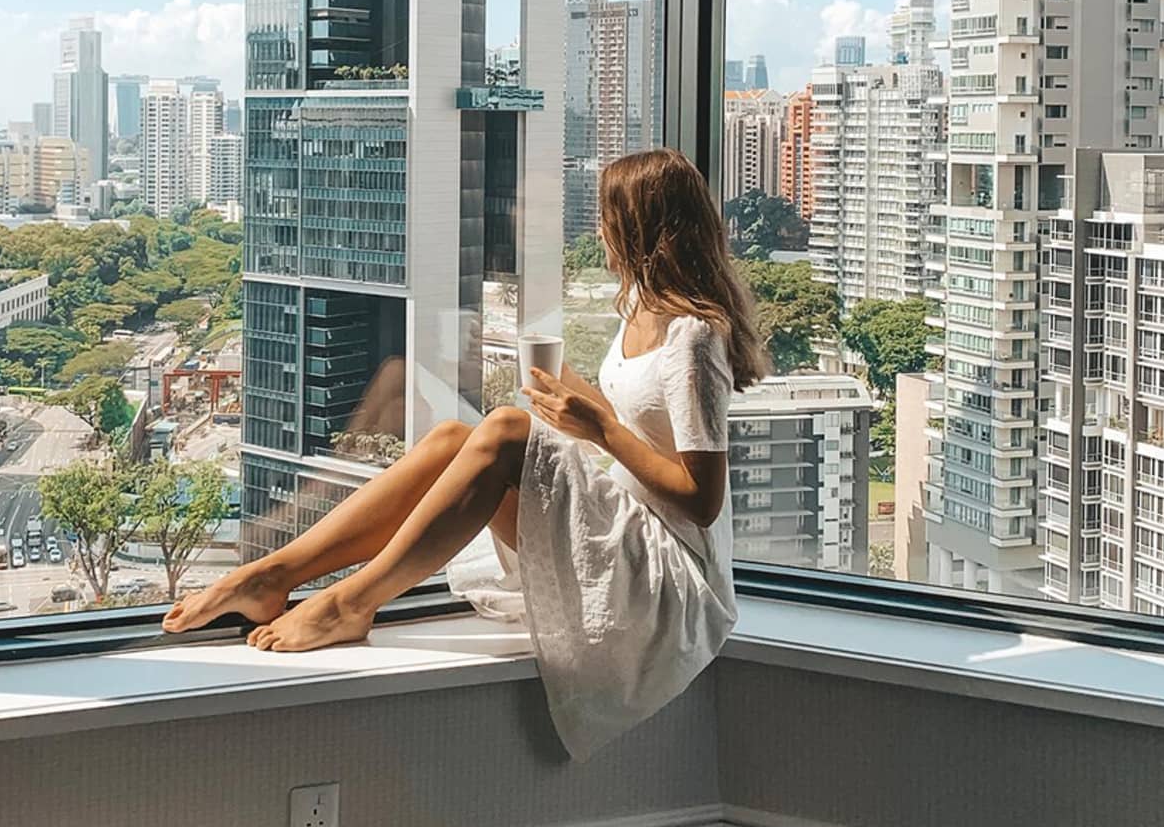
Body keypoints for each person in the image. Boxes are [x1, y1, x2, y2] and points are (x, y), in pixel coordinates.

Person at [164, 146, 768, 759]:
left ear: (644, 228)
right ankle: (272, 575)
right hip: (627, 521)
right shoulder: (641, 305)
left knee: (505, 431)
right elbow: (635, 417)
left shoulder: (694, 338)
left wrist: (599, 431)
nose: (600, 232)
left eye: (609, 218)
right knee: (456, 438)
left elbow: (702, 501)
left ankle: (352, 602)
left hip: (669, 569)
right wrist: (569, 393)